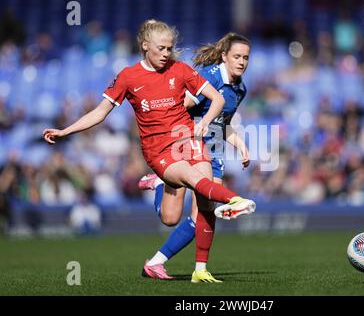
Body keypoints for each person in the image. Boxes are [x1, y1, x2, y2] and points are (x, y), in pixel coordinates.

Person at [43, 20, 256, 283]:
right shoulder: (128, 77)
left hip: (187, 140)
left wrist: (208, 129)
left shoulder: (180, 70)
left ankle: (199, 270)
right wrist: (66, 131)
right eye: (162, 48)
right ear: (145, 46)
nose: (167, 53)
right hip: (159, 150)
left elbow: (218, 104)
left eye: (170, 48)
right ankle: (232, 199)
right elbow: (100, 112)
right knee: (174, 212)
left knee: (203, 201)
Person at [139, 33, 252, 280]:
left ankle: (196, 269)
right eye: (236, 56)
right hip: (186, 147)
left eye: (245, 57)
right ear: (224, 56)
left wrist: (241, 145)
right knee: (171, 217)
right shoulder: (210, 77)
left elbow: (223, 124)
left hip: (214, 153)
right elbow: (181, 106)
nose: (242, 62)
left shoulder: (240, 88)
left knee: (205, 211)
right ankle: (160, 182)